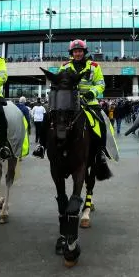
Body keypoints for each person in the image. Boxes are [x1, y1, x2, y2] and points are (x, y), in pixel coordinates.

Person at [33, 40, 111, 179]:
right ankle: (41, 146)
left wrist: (91, 93)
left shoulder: (94, 66)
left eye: (80, 51)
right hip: (68, 101)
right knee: (48, 116)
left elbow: (100, 84)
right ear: (71, 53)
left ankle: (101, 153)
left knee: (101, 122)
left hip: (89, 102)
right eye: (75, 51)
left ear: (84, 52)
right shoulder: (65, 66)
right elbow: (58, 83)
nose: (78, 53)